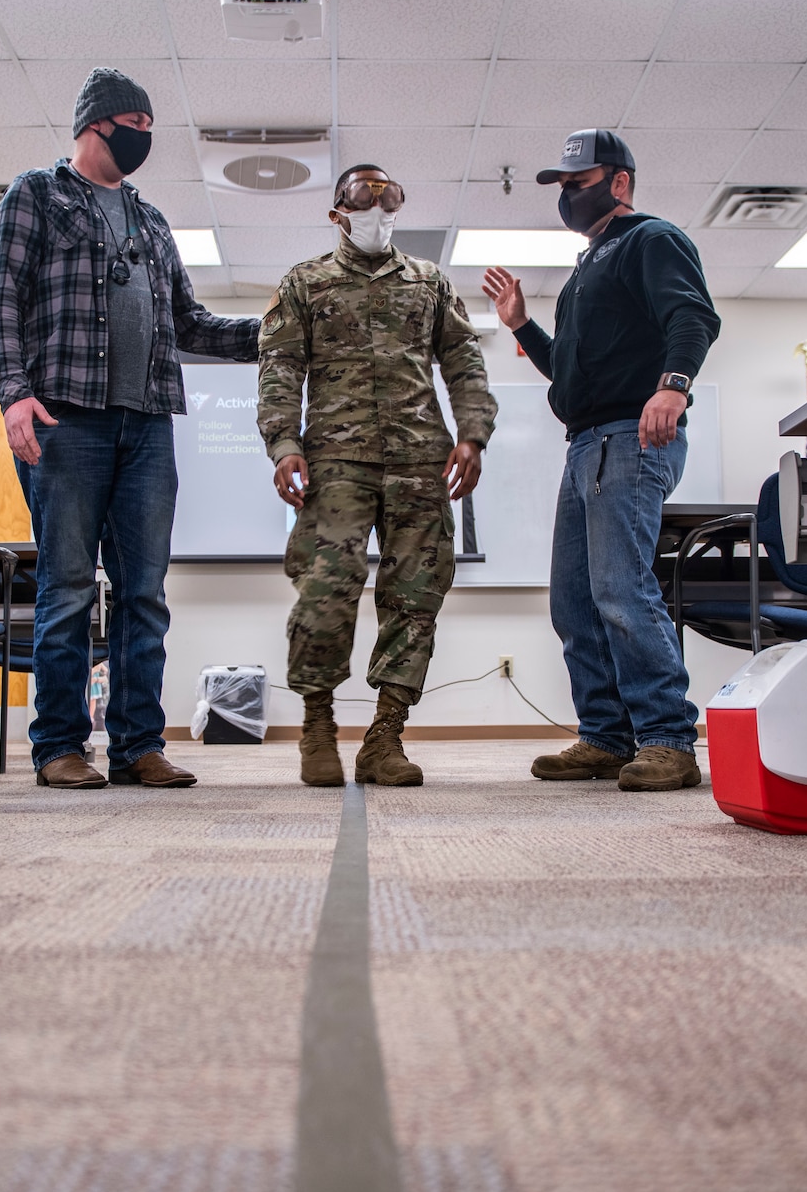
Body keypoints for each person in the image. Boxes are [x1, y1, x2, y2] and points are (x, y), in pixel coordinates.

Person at [0, 68, 260, 790]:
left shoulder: (152, 220)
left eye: (147, 124)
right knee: (69, 586)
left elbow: (191, 322)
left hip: (146, 428)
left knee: (144, 591)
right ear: (94, 124)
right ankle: (58, 747)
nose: (144, 135)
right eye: (132, 122)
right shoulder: (35, 196)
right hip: (66, 418)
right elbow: (1, 301)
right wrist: (14, 393)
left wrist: (277, 331)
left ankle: (139, 744)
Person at [482, 130, 721, 791]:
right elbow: (567, 372)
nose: (567, 194)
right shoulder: (585, 271)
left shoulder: (651, 239)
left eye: (577, 182)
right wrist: (522, 326)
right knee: (576, 602)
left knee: (621, 589)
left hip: (630, 435)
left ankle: (668, 737)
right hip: (586, 441)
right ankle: (606, 736)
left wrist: (673, 385)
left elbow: (693, 316)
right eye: (561, 185)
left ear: (619, 182)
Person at [258, 165, 496, 787]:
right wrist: (283, 444)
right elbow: (279, 369)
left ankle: (384, 737)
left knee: (415, 599)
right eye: (366, 197)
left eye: (391, 197)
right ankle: (317, 727)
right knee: (324, 592)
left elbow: (465, 361)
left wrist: (472, 433)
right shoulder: (305, 283)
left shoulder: (429, 282)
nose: (381, 208)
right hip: (336, 462)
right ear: (338, 212)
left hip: (421, 461)